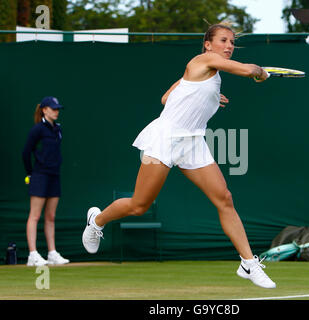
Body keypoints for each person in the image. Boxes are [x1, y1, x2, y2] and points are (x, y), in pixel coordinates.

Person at [82, 23, 276, 289]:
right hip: (165, 138)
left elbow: (165, 98)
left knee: (225, 198)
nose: (229, 46)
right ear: (208, 44)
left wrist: (208, 96)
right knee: (139, 206)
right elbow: (246, 70)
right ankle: (97, 220)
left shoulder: (207, 73)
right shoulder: (204, 59)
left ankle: (248, 263)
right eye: (223, 40)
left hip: (193, 141)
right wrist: (260, 72)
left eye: (232, 42)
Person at [22, 96, 69, 266]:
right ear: (44, 110)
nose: (56, 111)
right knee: (35, 216)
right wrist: (30, 174)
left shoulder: (58, 129)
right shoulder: (37, 130)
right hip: (39, 175)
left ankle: (52, 253)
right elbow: (26, 152)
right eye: (53, 108)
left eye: (57, 109)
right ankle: (32, 254)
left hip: (54, 175)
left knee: (51, 216)